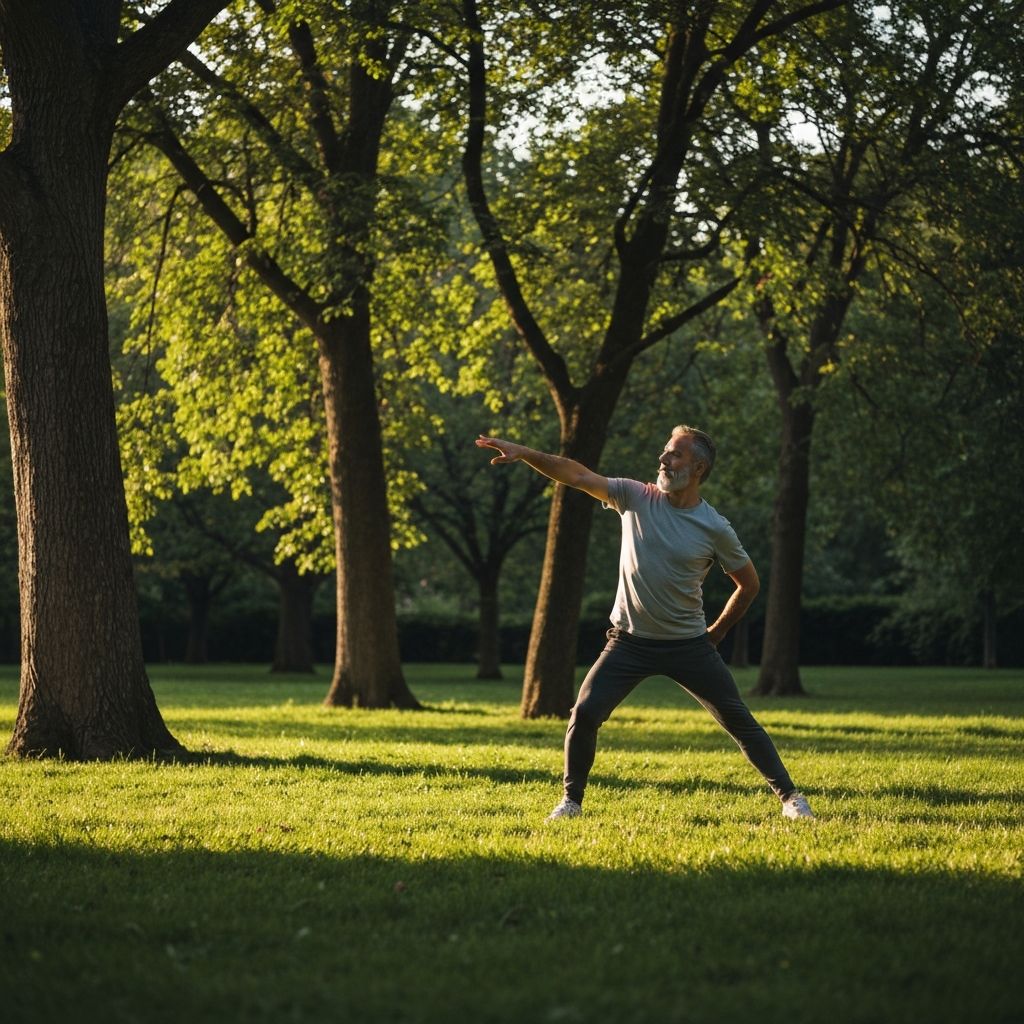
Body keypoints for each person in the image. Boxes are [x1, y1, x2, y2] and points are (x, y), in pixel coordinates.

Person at [475, 426, 814, 822]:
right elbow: (577, 474)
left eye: (674, 455)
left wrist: (718, 632)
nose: (663, 460)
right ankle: (571, 802)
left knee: (740, 721)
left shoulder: (715, 527)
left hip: (688, 645)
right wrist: (524, 452)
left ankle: (790, 798)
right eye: (665, 452)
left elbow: (749, 584)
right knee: (584, 714)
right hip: (628, 642)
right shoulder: (634, 496)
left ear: (699, 467)